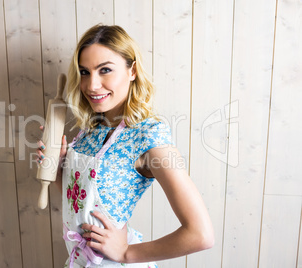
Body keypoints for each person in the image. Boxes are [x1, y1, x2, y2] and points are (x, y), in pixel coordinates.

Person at [37, 24, 214, 268]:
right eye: (85, 72)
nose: (92, 85)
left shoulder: (148, 136)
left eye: (105, 70)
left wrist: (126, 253)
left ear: (132, 71)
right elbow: (80, 204)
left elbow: (201, 234)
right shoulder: (91, 128)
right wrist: (57, 170)